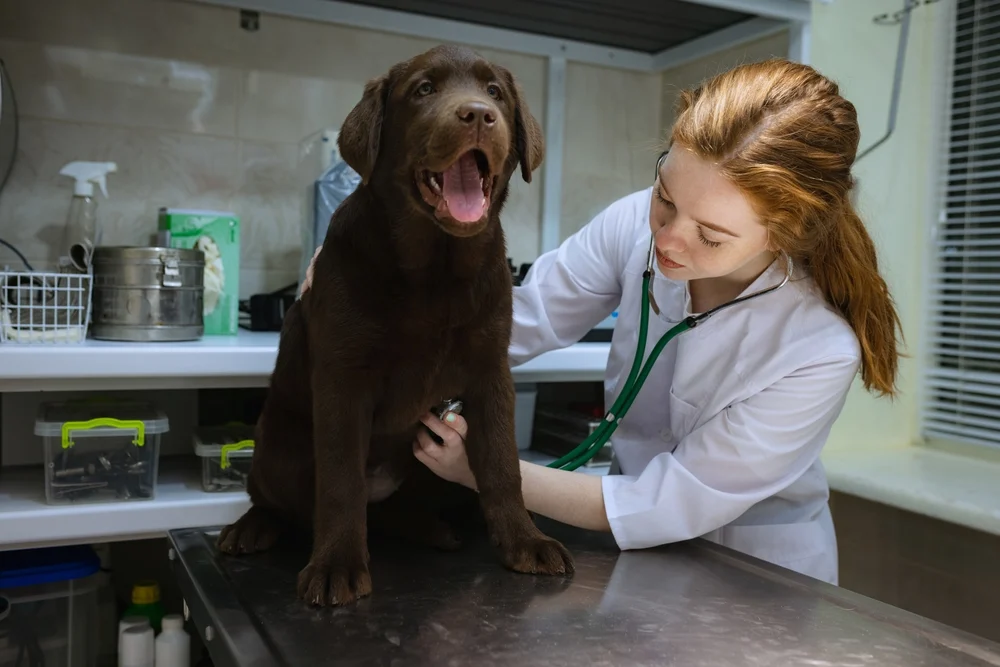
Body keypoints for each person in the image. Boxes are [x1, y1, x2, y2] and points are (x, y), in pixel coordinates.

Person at [301, 58, 903, 585]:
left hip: (759, 578)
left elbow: (660, 503)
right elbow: (515, 324)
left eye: (711, 236)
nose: (666, 239)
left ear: (788, 233)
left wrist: (484, 470)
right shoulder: (630, 226)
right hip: (636, 562)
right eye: (665, 197)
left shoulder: (816, 348)